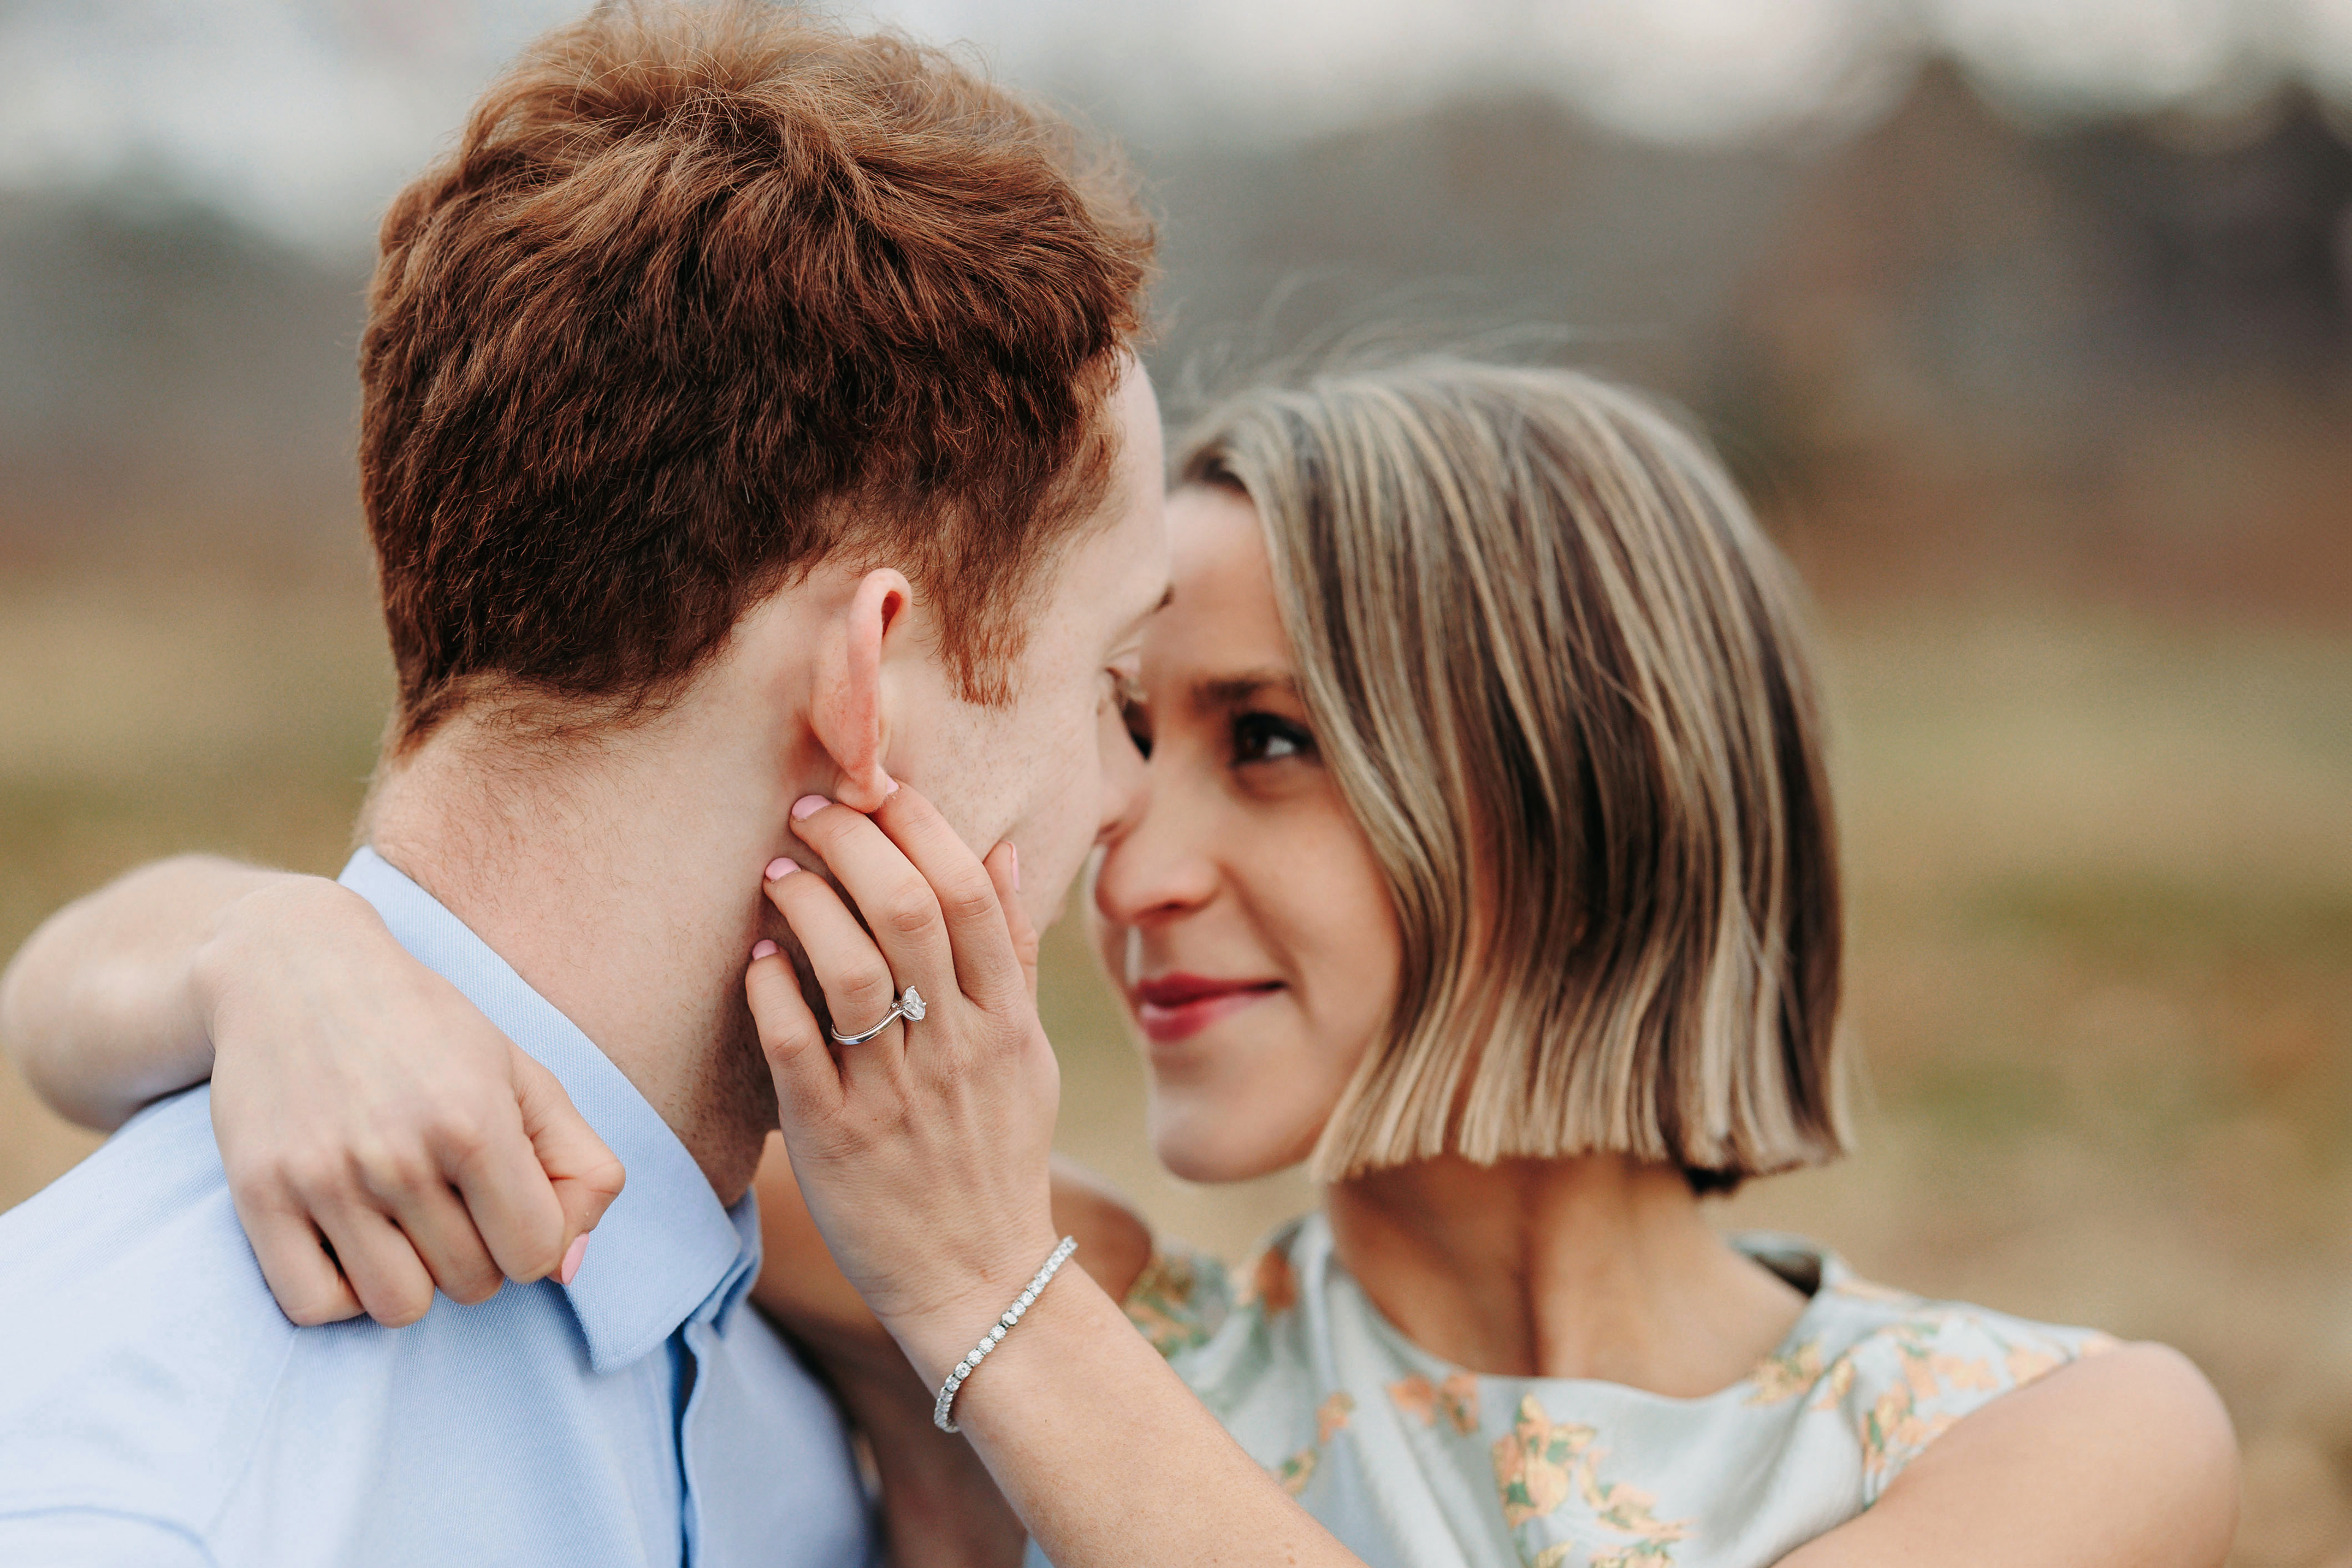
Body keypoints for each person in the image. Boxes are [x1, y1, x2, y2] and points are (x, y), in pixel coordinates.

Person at [6, 358, 2241, 1567]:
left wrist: (982, 1304)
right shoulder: (1063, 1301)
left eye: (1267, 744)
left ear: (1585, 785)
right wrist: (274, 949)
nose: (1126, 857)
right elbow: (110, 1008)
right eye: (1129, 728)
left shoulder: (2062, 1445)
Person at [0, 4, 1370, 1565]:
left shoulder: (822, 1386)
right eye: (1111, 691)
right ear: (870, 677)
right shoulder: (132, 1504)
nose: (1125, 798)